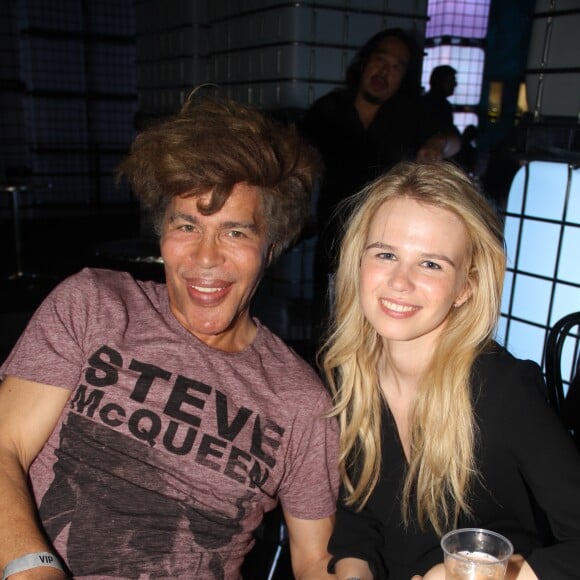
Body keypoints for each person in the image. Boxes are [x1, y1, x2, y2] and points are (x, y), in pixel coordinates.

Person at [0, 93, 339, 579]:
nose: (205, 257)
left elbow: (315, 560)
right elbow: (5, 444)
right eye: (187, 226)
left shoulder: (301, 400)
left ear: (272, 246)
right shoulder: (94, 304)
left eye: (235, 233)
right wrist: (34, 570)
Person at [321, 161, 580, 579]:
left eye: (431, 264)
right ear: (357, 262)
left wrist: (497, 574)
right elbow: (357, 521)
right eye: (386, 254)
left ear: (467, 286)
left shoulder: (502, 389)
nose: (400, 282)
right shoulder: (347, 376)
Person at [299, 28, 461, 340]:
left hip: (390, 243)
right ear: (364, 62)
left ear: (405, 77)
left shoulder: (411, 114)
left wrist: (437, 144)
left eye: (397, 66)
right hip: (334, 236)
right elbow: (297, 152)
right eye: (380, 60)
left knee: (380, 327)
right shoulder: (331, 108)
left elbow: (455, 140)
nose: (385, 71)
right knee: (329, 324)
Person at [421, 65, 459, 136]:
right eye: (451, 81)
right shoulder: (442, 106)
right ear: (439, 82)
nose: (455, 84)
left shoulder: (425, 101)